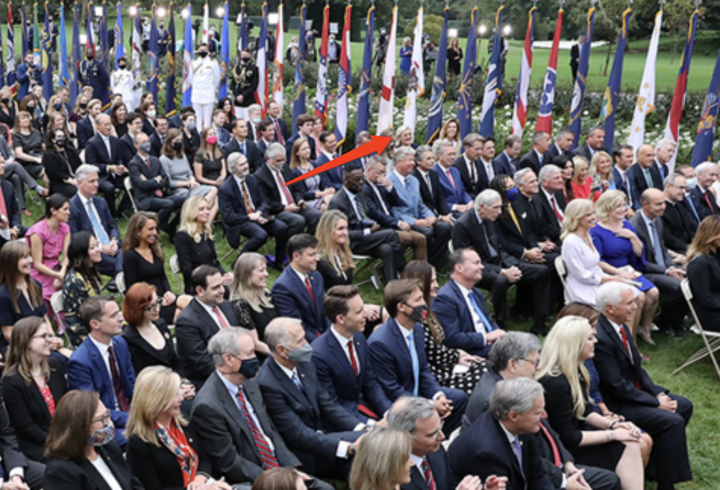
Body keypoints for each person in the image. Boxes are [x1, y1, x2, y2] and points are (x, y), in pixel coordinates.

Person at [594, 282, 693, 490]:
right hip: (618, 404)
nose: (634, 307)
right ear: (610, 308)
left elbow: (637, 370)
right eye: (628, 303)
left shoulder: (620, 326)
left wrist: (658, 394)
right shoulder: (602, 338)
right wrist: (655, 403)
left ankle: (656, 464)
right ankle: (667, 484)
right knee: (672, 421)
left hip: (633, 393)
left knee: (683, 405)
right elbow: (616, 385)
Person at [538, 316, 647, 490]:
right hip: (563, 453)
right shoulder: (555, 383)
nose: (595, 341)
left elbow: (585, 410)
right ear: (574, 344)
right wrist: (613, 435)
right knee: (627, 446)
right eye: (590, 338)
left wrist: (614, 425)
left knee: (631, 442)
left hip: (577, 439)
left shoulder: (576, 369)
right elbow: (569, 437)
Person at [257, 317, 365, 479]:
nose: (307, 344)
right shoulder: (268, 384)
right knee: (372, 465)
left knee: (377, 445)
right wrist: (348, 447)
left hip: (327, 438)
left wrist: (360, 428)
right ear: (282, 350)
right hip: (308, 455)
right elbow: (298, 435)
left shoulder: (304, 363)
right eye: (300, 341)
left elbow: (327, 405)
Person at [368, 279, 468, 435]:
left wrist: (438, 395)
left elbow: (423, 370)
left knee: (458, 399)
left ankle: (437, 440)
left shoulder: (417, 329)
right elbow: (391, 390)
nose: (424, 303)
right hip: (400, 403)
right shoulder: (380, 343)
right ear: (401, 307)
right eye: (418, 300)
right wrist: (429, 405)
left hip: (418, 393)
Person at [126, 366, 230, 490]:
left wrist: (199, 480)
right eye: (173, 396)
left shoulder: (183, 421)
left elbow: (204, 458)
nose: (181, 399)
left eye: (179, 393)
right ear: (155, 400)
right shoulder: (138, 442)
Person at [402, 261, 488, 395]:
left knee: (488, 368)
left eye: (435, 281)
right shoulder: (416, 319)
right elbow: (434, 353)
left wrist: (457, 354)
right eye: (431, 282)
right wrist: (456, 355)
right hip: (437, 377)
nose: (436, 285)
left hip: (446, 365)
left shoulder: (428, 311)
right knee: (486, 373)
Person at [312, 285, 392, 422]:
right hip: (346, 421)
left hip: (365, 408)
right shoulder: (319, 355)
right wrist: (370, 425)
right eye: (359, 312)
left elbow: (370, 383)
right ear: (341, 319)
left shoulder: (359, 338)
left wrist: (389, 413)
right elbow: (331, 404)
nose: (365, 315)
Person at [67, 296, 136, 447]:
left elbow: (132, 382)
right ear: (95, 324)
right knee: (141, 438)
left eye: (119, 312)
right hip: (105, 424)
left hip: (131, 411)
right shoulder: (80, 362)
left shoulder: (120, 344)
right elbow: (91, 409)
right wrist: (132, 419)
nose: (121, 318)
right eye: (113, 315)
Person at [591, 191, 659, 343]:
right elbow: (598, 260)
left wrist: (633, 237)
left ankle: (644, 327)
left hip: (629, 269)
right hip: (610, 271)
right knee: (639, 297)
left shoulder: (627, 225)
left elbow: (639, 252)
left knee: (653, 293)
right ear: (608, 208)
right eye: (618, 206)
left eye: (624, 205)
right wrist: (619, 273)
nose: (623, 209)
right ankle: (630, 339)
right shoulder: (596, 230)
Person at [44, 390, 143, 490]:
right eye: (101, 419)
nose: (109, 423)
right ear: (80, 426)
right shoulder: (61, 471)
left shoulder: (109, 447)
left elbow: (132, 483)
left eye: (107, 415)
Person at [1, 317, 68, 463]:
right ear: (27, 341)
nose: (50, 340)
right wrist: (59, 441)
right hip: (39, 445)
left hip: (66, 436)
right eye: (44, 336)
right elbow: (26, 427)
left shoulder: (54, 366)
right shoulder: (12, 381)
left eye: (50, 335)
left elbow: (68, 404)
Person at [327, 166, 405, 281]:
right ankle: (404, 272)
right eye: (357, 180)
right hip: (351, 242)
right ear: (346, 182)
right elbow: (338, 233)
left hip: (368, 237)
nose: (361, 182)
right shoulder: (337, 202)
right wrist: (368, 231)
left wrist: (391, 222)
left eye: (362, 179)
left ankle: (392, 285)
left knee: (387, 249)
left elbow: (373, 211)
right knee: (391, 235)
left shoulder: (361, 193)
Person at [628, 189, 686, 336]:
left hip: (660, 266)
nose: (663, 207)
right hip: (645, 271)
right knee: (678, 286)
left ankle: (678, 321)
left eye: (664, 203)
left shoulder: (657, 221)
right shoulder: (634, 226)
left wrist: (671, 266)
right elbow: (640, 263)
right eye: (658, 204)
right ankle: (665, 323)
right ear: (645, 205)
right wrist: (666, 271)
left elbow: (661, 248)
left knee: (690, 274)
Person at [218, 152, 288, 267]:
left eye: (246, 162)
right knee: (261, 235)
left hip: (258, 216)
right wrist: (250, 217)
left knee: (282, 228)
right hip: (241, 221)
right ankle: (239, 262)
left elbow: (265, 201)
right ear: (233, 169)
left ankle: (279, 262)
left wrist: (259, 213)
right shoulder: (226, 189)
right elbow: (228, 216)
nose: (246, 166)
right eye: (241, 165)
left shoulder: (253, 179)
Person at [175, 265, 240, 389]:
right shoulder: (187, 322)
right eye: (216, 287)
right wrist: (237, 371)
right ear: (200, 291)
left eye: (222, 285)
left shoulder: (227, 306)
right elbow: (203, 363)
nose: (223, 290)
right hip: (211, 382)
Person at [560, 199, 633, 307]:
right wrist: (609, 279)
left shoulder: (587, 235)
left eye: (594, 213)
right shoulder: (571, 242)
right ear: (577, 217)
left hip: (598, 280)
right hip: (583, 288)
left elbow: (595, 265)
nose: (594, 217)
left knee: (634, 294)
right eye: (588, 215)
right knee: (624, 302)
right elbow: (581, 275)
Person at [432, 248, 504, 356]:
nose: (482, 267)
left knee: (526, 344)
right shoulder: (445, 298)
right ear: (459, 268)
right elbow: (452, 338)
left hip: (488, 345)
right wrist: (485, 338)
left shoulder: (475, 293)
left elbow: (489, 322)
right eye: (476, 263)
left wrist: (499, 337)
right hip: (470, 352)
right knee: (519, 353)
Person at [389, 147, 452, 269]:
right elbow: (394, 210)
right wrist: (416, 222)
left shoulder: (413, 180)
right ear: (399, 162)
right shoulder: (389, 181)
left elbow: (420, 204)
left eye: (413, 160)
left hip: (420, 217)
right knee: (427, 232)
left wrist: (431, 216)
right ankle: (418, 267)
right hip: (403, 221)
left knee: (445, 228)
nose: (413, 163)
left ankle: (433, 265)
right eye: (409, 160)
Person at [123, 211, 190, 324]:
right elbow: (132, 290)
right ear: (138, 231)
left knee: (192, 303)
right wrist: (157, 300)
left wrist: (169, 292)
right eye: (150, 229)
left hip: (165, 297)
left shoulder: (154, 250)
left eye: (155, 228)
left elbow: (163, 277)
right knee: (186, 316)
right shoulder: (130, 256)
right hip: (148, 305)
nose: (154, 232)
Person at [362, 155, 428, 262]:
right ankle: (399, 269)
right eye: (379, 173)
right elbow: (374, 213)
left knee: (421, 238)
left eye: (384, 173)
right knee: (409, 238)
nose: (382, 176)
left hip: (391, 223)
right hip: (380, 228)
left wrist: (390, 187)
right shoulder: (363, 188)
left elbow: (397, 202)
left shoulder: (380, 183)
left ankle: (418, 273)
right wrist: (398, 223)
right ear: (369, 170)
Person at [271, 234, 330, 342]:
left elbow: (325, 309)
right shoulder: (282, 288)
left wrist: (331, 334)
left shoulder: (316, 276)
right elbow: (296, 326)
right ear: (296, 257)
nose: (317, 258)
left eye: (317, 253)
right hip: (306, 341)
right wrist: (322, 343)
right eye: (312, 255)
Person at [255, 143, 322, 236]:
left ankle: (306, 241)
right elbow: (266, 202)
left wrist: (299, 200)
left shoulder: (285, 169)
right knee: (299, 221)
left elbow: (296, 188)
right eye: (278, 161)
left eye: (283, 160)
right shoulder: (260, 176)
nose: (281, 163)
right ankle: (291, 246)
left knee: (318, 216)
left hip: (294, 205)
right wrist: (284, 208)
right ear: (268, 160)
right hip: (278, 210)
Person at [128, 131, 187, 236]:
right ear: (136, 145)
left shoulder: (155, 159)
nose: (147, 144)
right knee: (168, 204)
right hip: (145, 199)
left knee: (186, 201)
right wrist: (156, 180)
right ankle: (157, 227)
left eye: (147, 141)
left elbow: (165, 179)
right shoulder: (133, 164)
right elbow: (142, 185)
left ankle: (171, 226)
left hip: (160, 195)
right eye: (143, 142)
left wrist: (152, 181)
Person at [68, 165, 122, 278]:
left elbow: (113, 226)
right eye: (91, 181)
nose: (96, 184)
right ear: (79, 182)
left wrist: (114, 240)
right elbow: (76, 240)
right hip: (93, 253)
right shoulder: (72, 208)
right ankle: (120, 275)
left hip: (112, 246)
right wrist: (101, 248)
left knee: (137, 246)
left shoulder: (101, 202)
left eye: (97, 180)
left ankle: (119, 276)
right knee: (130, 265)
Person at [121, 283, 182, 376]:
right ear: (137, 310)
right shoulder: (129, 339)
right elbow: (141, 375)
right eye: (150, 307)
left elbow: (176, 362)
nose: (157, 309)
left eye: (158, 302)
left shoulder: (161, 324)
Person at [175, 196, 231, 294]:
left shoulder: (206, 232)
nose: (207, 212)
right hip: (198, 286)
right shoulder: (182, 236)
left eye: (208, 208)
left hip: (214, 281)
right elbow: (187, 271)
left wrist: (225, 275)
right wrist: (215, 280)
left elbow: (214, 262)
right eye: (202, 209)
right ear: (191, 212)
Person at [160, 128, 219, 221]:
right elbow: (169, 182)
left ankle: (203, 218)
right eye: (177, 141)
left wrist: (192, 180)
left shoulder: (182, 155)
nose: (179, 142)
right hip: (178, 191)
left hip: (190, 186)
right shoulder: (164, 159)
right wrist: (187, 183)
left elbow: (189, 172)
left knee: (214, 190)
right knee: (214, 201)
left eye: (181, 140)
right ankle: (202, 219)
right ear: (170, 142)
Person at [0, 242, 47, 355]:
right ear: (11, 263)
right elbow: (8, 333)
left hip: (41, 341)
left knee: (70, 357)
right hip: (19, 347)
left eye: (30, 256)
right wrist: (33, 344)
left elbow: (44, 318)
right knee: (55, 361)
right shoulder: (3, 295)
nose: (30, 260)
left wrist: (51, 337)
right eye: (25, 257)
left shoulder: (35, 286)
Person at [25, 194, 70, 304]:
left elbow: (67, 255)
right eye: (65, 209)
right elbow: (37, 264)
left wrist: (63, 272)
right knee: (48, 296)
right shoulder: (38, 232)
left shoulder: (65, 227)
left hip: (57, 267)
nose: (68, 212)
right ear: (54, 211)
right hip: (39, 272)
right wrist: (57, 275)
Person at [61, 231, 103, 345]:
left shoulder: (89, 272)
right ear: (82, 252)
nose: (98, 249)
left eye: (97, 245)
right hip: (82, 332)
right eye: (92, 247)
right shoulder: (75, 281)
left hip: (96, 322)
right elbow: (84, 316)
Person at [229, 253, 275, 355]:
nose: (266, 274)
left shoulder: (265, 294)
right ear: (247, 274)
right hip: (265, 355)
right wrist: (282, 356)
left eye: (266, 270)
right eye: (261, 270)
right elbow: (255, 343)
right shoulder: (241, 304)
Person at [85, 114, 128, 217]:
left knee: (133, 182)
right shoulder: (92, 143)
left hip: (116, 174)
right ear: (98, 126)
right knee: (109, 188)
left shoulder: (115, 140)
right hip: (101, 176)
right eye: (105, 125)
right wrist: (108, 168)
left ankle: (121, 210)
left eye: (110, 124)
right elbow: (91, 164)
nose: (109, 127)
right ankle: (111, 215)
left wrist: (120, 165)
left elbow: (119, 158)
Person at [686, 214, 720, 331]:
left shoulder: (715, 255)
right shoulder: (700, 262)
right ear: (713, 236)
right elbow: (705, 299)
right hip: (712, 316)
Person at [290, 139, 333, 211]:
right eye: (304, 149)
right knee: (326, 206)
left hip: (323, 196)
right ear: (297, 153)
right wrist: (322, 193)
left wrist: (328, 189)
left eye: (308, 148)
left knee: (334, 200)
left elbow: (323, 183)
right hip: (309, 201)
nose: (307, 151)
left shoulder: (315, 165)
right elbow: (303, 194)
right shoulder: (295, 172)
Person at [413, 145, 454, 219]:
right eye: (428, 158)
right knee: (447, 227)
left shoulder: (433, 174)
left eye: (433, 158)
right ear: (418, 161)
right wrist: (439, 217)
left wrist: (448, 214)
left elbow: (440, 197)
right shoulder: (413, 177)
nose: (432, 161)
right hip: (424, 216)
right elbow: (421, 203)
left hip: (437, 212)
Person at [662, 172, 696, 254]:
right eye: (680, 188)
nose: (684, 191)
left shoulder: (680, 206)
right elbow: (667, 238)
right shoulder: (660, 209)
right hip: (674, 252)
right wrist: (689, 248)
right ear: (668, 187)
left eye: (685, 188)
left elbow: (690, 229)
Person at [534, 164, 567, 248]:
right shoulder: (537, 199)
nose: (561, 180)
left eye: (561, 177)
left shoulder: (558, 194)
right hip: (556, 240)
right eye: (556, 178)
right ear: (544, 182)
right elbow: (545, 228)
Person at [189, 43, 220, 131]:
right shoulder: (194, 63)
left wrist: (211, 89)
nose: (203, 51)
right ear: (198, 51)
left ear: (208, 51)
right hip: (197, 94)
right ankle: (198, 137)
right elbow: (191, 78)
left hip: (208, 94)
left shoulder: (213, 63)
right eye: (201, 50)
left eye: (205, 50)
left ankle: (207, 138)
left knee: (207, 120)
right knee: (197, 118)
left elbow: (216, 78)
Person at [42, 130, 82, 199]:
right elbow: (54, 173)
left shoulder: (70, 151)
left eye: (63, 136)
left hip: (76, 177)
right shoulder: (49, 155)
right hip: (60, 183)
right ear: (53, 140)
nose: (62, 138)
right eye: (59, 137)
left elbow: (79, 165)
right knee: (76, 191)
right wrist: (68, 180)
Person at [12, 112, 46, 186]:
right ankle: (51, 193)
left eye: (27, 118)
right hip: (28, 163)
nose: (26, 120)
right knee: (46, 171)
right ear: (18, 122)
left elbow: (44, 146)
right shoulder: (17, 136)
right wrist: (35, 159)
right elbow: (19, 154)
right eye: (23, 118)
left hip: (41, 157)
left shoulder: (36, 132)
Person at [230, 50, 259, 122]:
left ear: (250, 56)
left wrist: (243, 96)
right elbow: (233, 85)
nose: (244, 57)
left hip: (248, 100)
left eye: (246, 55)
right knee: (238, 122)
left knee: (249, 122)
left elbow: (254, 86)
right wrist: (237, 96)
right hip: (238, 102)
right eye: (243, 55)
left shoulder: (254, 68)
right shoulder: (237, 68)